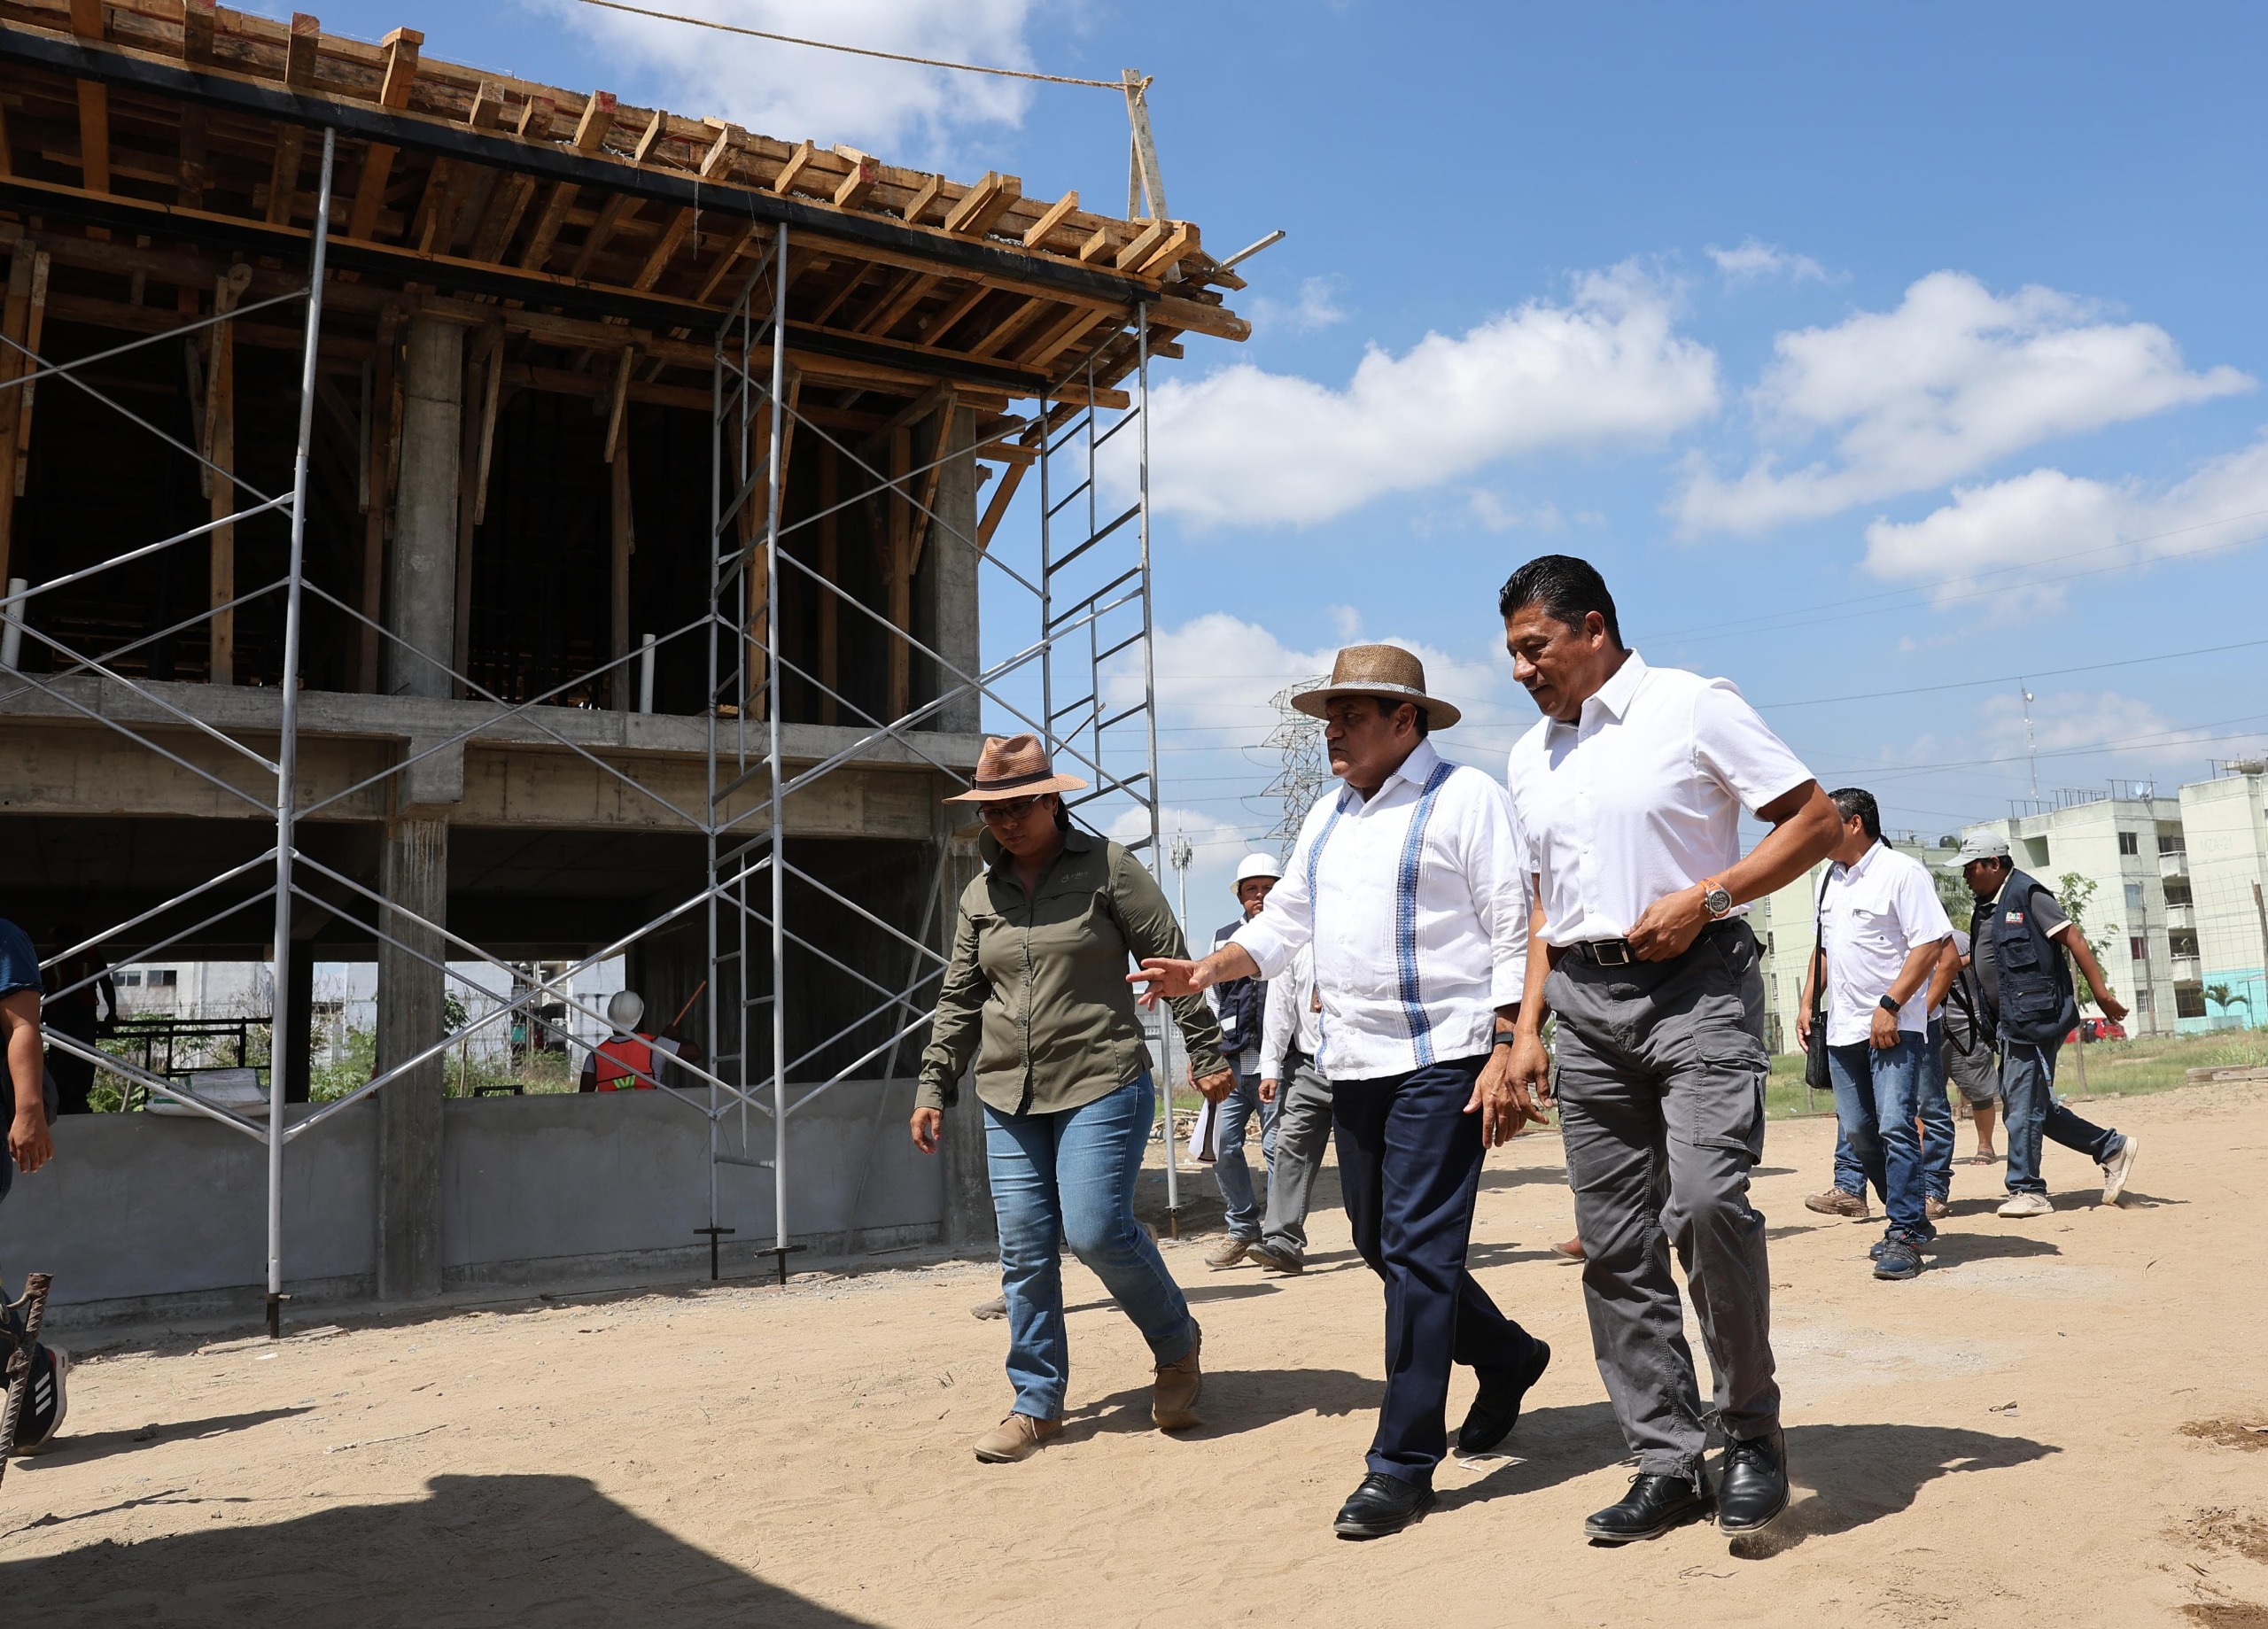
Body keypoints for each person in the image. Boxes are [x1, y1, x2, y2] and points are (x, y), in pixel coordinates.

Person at [1131, 644, 1550, 1540]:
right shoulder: (1325, 815)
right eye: (1327, 718)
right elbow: (1285, 926)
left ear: (1406, 721)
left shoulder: (1466, 799)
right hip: (1353, 1060)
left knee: (1420, 1255)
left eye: (1350, 716)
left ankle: (1401, 1462)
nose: (1332, 733)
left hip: (1445, 1055)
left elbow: (1515, 926)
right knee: (1376, 1240)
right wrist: (1202, 969)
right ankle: (1508, 1355)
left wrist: (1512, 1042)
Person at [1497, 555, 1841, 1544]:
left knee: (1702, 1206)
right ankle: (1664, 1458)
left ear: (1591, 628)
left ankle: (1751, 1436)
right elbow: (1541, 906)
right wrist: (1526, 1029)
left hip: (1696, 992)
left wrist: (1711, 897)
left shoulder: (1691, 706)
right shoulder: (1531, 757)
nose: (1522, 670)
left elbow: (1812, 821)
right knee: (1612, 1244)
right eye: (1513, 654)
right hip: (1584, 1004)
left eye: (1534, 647)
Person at [912, 734, 1231, 1465]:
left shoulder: (1108, 868)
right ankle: (1036, 1402)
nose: (1008, 823)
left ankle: (1177, 1346)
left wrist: (1206, 1053)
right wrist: (934, 1083)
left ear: (1054, 799)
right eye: (994, 812)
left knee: (1093, 1229)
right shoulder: (978, 894)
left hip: (1100, 1078)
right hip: (1006, 1092)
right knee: (1024, 1245)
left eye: (1021, 806)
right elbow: (960, 998)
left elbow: (1168, 961)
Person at [1795, 790, 1953, 1282]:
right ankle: (1909, 1213)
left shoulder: (1903, 873)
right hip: (1842, 1029)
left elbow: (1929, 945)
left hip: (1892, 1027)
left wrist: (1891, 1006)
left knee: (1895, 1126)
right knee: (1861, 1131)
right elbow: (1824, 948)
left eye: (1825, 825)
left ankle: (1903, 1230)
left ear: (1855, 824)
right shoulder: (1829, 880)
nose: (1816, 836)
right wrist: (1807, 1001)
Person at [1955, 834, 2137, 1214]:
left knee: (2022, 1108)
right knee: (2035, 1106)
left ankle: (2027, 1190)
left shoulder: (2029, 894)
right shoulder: (1985, 906)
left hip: (2035, 1020)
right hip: (2008, 1023)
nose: (1966, 877)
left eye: (1971, 868)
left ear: (1993, 862)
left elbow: (2074, 939)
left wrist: (2101, 995)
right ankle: (2111, 1147)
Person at [1, 913, 67, 1455]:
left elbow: (23, 1025)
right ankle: (20, 1360)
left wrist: (29, 1110)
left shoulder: (2, 936)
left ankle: (30, 1363)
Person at [1202, 853, 1283, 1268]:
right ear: (1240, 896)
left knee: (1276, 1148)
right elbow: (1212, 998)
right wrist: (1206, 1056)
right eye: (1252, 889)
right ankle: (1242, 1230)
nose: (1260, 896)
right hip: (1232, 1063)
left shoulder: (1294, 934)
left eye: (1268, 888)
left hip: (1278, 1065)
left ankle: (1278, 1236)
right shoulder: (1223, 940)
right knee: (1222, 1145)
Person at [1249, 940, 1327, 1275]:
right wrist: (1270, 1068)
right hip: (1310, 1067)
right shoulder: (1296, 945)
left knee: (1369, 1155)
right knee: (1291, 1143)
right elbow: (1280, 1009)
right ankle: (1283, 1241)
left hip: (1365, 1066)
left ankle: (1389, 1235)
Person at [1940, 927, 2002, 1162]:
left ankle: (1986, 1146)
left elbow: (1988, 961)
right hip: (1927, 1029)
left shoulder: (1960, 940)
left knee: (1979, 1090)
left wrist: (1960, 961)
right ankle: (1923, 1153)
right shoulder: (1906, 944)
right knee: (1921, 1097)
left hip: (1966, 1026)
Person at [42, 922, 114, 1116]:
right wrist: (111, 1014)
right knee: (74, 1058)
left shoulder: (53, 956)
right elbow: (107, 985)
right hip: (72, 1017)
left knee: (74, 1058)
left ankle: (71, 1101)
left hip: (70, 1017)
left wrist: (112, 1014)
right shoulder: (89, 956)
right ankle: (69, 1101)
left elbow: (106, 984)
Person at [576, 989, 700, 1091]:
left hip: (610, 1119)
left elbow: (584, 1100)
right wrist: (675, 1035)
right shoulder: (655, 1045)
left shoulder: (595, 1056)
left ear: (610, 1017)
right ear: (639, 1018)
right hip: (648, 1119)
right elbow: (694, 1052)